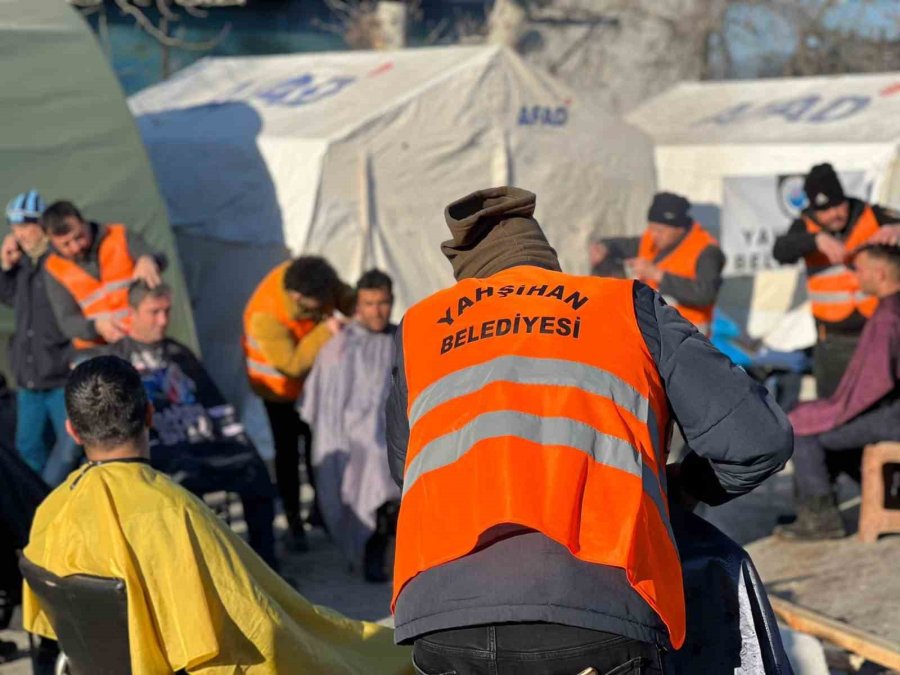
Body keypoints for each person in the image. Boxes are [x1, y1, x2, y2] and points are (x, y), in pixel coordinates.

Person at [386, 186, 793, 674]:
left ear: (467, 280)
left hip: (443, 617)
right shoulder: (620, 305)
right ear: (548, 263)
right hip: (599, 612)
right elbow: (760, 440)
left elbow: (406, 471)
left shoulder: (421, 328)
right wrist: (679, 488)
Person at [22, 356, 413, 674]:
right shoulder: (175, 512)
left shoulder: (51, 512)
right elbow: (257, 620)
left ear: (73, 431)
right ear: (151, 416)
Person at [103, 281, 278, 567]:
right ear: (131, 312)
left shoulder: (179, 353)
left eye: (167, 311)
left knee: (255, 469)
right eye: (154, 312)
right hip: (160, 453)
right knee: (183, 486)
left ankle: (266, 568)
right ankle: (200, 571)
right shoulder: (118, 360)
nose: (163, 320)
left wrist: (240, 441)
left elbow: (215, 403)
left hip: (202, 444)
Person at [775, 244, 900, 541]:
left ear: (880, 274)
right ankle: (811, 505)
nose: (856, 277)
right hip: (889, 409)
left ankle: (821, 519)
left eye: (860, 270)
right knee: (806, 413)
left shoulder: (888, 316)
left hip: (893, 416)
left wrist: (836, 411)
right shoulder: (891, 308)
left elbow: (877, 384)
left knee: (804, 431)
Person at [243, 256, 355, 551]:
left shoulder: (312, 279)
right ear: (299, 298)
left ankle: (322, 513)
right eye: (318, 304)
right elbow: (291, 364)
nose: (325, 306)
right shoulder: (266, 314)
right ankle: (294, 524)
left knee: (321, 449)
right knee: (288, 456)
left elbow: (344, 297)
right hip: (280, 394)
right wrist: (327, 330)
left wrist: (361, 309)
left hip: (316, 386)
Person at [301, 269, 402, 582]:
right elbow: (324, 409)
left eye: (382, 303)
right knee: (373, 457)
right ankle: (374, 547)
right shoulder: (340, 347)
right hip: (352, 437)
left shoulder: (404, 339)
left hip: (397, 429)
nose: (376, 311)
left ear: (391, 302)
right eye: (369, 304)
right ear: (358, 305)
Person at [772, 163, 900, 398]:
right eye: (825, 210)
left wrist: (897, 229)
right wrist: (815, 241)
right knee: (833, 408)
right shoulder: (804, 226)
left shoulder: (871, 215)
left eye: (838, 205)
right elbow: (780, 251)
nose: (834, 214)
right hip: (834, 341)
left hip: (881, 332)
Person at [0, 190, 81, 482]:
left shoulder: (59, 263)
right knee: (28, 448)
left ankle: (48, 498)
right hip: (29, 380)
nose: (19, 234)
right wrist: (5, 268)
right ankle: (36, 509)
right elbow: (9, 297)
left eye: (25, 226)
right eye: (15, 227)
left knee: (71, 447)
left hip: (60, 375)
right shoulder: (23, 265)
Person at [589, 191, 724, 336]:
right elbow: (625, 245)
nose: (654, 235)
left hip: (688, 331)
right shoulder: (651, 239)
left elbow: (705, 293)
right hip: (653, 327)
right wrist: (604, 247)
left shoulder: (707, 251)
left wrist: (658, 275)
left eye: (660, 230)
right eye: (651, 228)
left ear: (679, 229)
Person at [41, 200, 165, 350]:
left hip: (140, 338)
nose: (75, 247)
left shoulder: (119, 236)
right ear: (52, 242)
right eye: (65, 244)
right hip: (95, 349)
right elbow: (68, 321)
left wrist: (148, 260)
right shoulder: (53, 268)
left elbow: (158, 256)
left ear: (84, 223)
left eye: (79, 236)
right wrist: (96, 327)